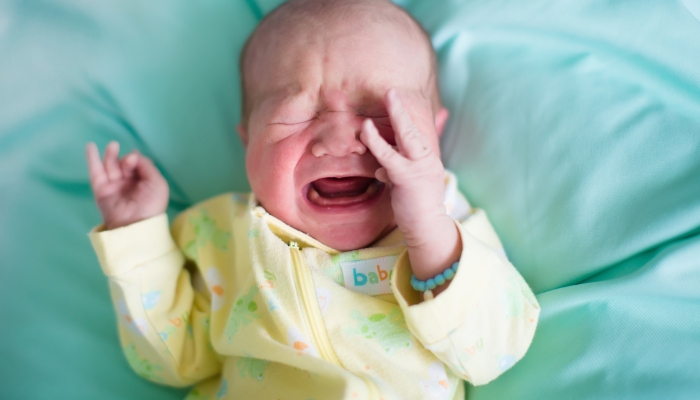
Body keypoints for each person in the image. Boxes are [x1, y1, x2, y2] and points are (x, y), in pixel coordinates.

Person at [86, 0, 540, 398]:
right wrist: (138, 239)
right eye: (295, 113)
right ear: (247, 142)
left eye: (380, 113)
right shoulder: (220, 235)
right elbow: (172, 362)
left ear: (433, 132)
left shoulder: (451, 233)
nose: (340, 138)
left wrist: (429, 233)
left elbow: (496, 353)